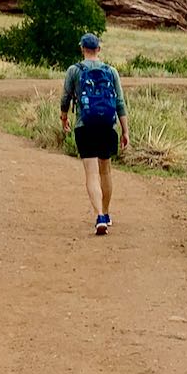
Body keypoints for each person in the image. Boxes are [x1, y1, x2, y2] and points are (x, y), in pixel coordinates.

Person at [59, 32, 129, 235]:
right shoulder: (111, 71)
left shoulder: (74, 70)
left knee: (91, 173)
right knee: (105, 171)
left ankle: (99, 215)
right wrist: (125, 131)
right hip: (107, 126)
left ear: (82, 48)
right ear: (98, 49)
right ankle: (106, 214)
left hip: (85, 125)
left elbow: (65, 98)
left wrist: (64, 118)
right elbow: (120, 103)